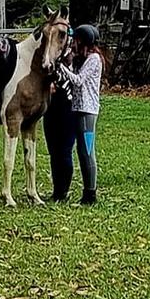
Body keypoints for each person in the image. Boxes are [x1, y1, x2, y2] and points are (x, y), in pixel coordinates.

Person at [57, 24, 103, 205]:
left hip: (87, 111)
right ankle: (87, 192)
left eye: (76, 40)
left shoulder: (94, 59)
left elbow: (78, 80)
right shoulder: (82, 58)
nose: (73, 43)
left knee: (87, 152)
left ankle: (90, 194)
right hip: (78, 109)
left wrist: (61, 67)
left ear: (83, 41)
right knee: (82, 151)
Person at [43, 64, 77, 202]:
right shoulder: (49, 65)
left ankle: (63, 190)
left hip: (67, 109)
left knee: (64, 151)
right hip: (51, 109)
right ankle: (57, 190)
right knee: (54, 152)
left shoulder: (74, 63)